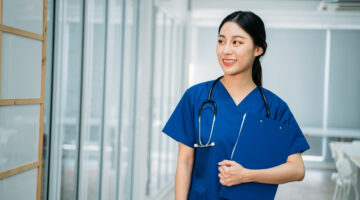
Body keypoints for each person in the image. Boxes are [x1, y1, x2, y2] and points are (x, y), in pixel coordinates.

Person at [162, 10, 310, 200]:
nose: (226, 50)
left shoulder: (274, 107)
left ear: (258, 49)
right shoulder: (196, 97)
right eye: (221, 41)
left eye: (237, 42)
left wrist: (247, 175)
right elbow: (184, 162)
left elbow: (297, 170)